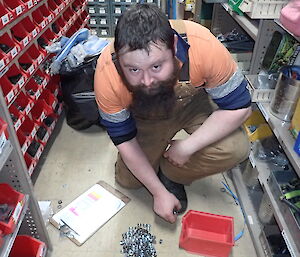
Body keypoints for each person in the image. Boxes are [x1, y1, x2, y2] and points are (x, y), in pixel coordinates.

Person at [94, 3, 252, 223]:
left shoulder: (202, 45)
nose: (147, 81)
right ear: (119, 60)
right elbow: (124, 138)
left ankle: (170, 172)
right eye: (134, 70)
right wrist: (158, 193)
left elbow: (240, 106)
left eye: (157, 66)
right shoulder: (106, 74)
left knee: (236, 148)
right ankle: (156, 168)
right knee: (129, 181)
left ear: (175, 46)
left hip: (192, 107)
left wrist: (188, 146)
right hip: (144, 116)